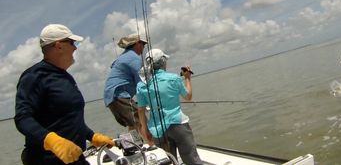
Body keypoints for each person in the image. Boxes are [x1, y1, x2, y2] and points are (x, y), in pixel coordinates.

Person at [14, 24, 115, 165]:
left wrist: (92, 136)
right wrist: (51, 140)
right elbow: (22, 118)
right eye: (72, 43)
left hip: (75, 157)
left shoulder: (66, 77)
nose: (75, 47)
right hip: (47, 160)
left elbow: (68, 117)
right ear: (59, 46)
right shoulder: (33, 76)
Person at [136, 49, 203, 165]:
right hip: (178, 125)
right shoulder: (174, 78)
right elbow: (188, 96)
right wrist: (187, 78)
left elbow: (141, 110)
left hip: (157, 130)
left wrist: (145, 130)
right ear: (163, 62)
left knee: (168, 161)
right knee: (192, 160)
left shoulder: (141, 85)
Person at [103, 34, 147, 132]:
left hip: (111, 97)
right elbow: (142, 84)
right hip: (119, 95)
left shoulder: (123, 56)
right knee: (141, 121)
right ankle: (150, 145)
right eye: (143, 44)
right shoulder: (134, 58)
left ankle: (134, 145)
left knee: (133, 123)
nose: (144, 47)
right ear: (137, 44)